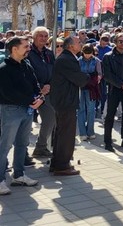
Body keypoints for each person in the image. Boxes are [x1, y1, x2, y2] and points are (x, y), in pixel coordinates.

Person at [0, 36, 43, 194]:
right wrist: (30, 101)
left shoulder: (26, 65)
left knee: (22, 144)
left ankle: (19, 175)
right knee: (4, 146)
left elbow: (35, 83)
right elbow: (8, 92)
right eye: (25, 46)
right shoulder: (4, 69)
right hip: (11, 110)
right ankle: (1, 180)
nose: (28, 49)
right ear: (14, 49)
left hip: (27, 110)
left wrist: (40, 98)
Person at [49, 35, 89, 176]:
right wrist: (89, 76)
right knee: (66, 134)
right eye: (78, 42)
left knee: (62, 133)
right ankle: (62, 165)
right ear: (71, 46)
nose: (81, 43)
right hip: (65, 102)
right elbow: (79, 79)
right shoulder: (67, 59)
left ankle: (58, 162)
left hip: (64, 101)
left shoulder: (67, 58)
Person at [102, 33, 123, 151]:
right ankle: (107, 141)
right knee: (110, 115)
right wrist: (120, 84)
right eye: (121, 41)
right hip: (114, 89)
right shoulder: (108, 56)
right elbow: (107, 74)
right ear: (116, 42)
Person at [28, 27, 55, 158]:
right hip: (31, 91)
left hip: (47, 92)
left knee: (50, 118)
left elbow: (54, 71)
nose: (43, 38)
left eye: (45, 36)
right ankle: (23, 155)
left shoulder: (49, 53)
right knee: (25, 124)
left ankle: (41, 147)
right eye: (40, 36)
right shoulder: (28, 52)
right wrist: (40, 86)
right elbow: (27, 73)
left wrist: (49, 85)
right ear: (34, 37)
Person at [77, 44, 102, 141]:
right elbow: (76, 73)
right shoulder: (78, 61)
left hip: (92, 87)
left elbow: (99, 73)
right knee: (81, 109)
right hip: (80, 86)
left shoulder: (96, 61)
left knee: (91, 110)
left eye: (90, 53)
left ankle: (90, 131)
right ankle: (82, 132)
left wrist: (97, 79)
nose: (87, 55)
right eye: (86, 53)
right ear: (82, 52)